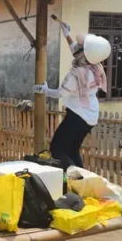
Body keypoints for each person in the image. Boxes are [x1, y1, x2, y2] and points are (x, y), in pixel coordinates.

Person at [34, 22, 111, 171]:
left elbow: (59, 94)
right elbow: (76, 50)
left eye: (81, 46)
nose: (77, 46)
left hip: (78, 116)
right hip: (90, 115)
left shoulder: (76, 74)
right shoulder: (95, 66)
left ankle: (75, 180)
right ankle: (82, 181)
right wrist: (66, 34)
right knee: (72, 150)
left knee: (57, 149)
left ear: (84, 53)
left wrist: (45, 90)